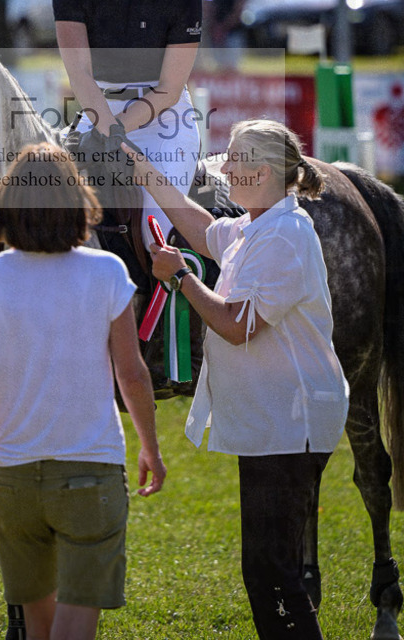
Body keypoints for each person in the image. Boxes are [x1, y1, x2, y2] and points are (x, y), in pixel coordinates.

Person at [121, 119, 349, 640]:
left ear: (263, 172)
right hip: (275, 419)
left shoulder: (286, 235)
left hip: (293, 420)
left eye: (235, 159)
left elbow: (236, 325)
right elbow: (200, 226)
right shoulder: (257, 225)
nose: (223, 168)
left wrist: (181, 277)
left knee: (275, 573)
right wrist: (141, 168)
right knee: (264, 570)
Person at [0, 142, 166, 640]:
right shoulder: (107, 272)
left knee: (38, 632)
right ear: (77, 200)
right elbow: (132, 375)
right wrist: (150, 448)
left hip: (12, 481)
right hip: (93, 476)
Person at [52, 0, 203, 249]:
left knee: (156, 231)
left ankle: (169, 299)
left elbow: (168, 89)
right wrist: (106, 130)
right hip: (96, 111)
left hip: (163, 124)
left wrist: (116, 132)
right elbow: (80, 75)